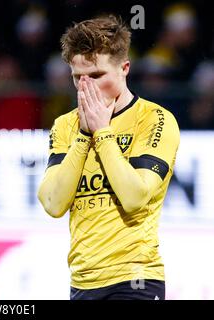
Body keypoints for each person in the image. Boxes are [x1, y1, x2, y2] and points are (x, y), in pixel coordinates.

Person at [37, 15, 180, 300]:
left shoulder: (154, 119)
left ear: (124, 68)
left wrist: (102, 133)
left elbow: (135, 197)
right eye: (78, 78)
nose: (86, 87)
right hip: (82, 282)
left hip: (135, 280)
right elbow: (53, 203)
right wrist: (83, 136)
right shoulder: (66, 125)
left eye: (98, 76)